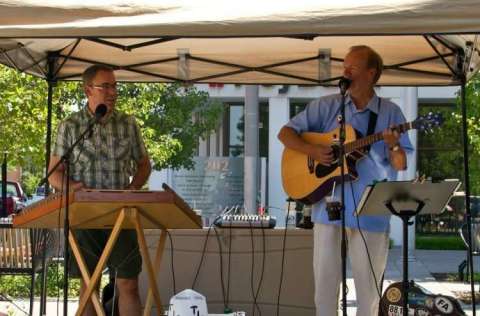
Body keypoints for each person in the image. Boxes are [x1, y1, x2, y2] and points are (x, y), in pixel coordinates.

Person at [278, 45, 413, 316]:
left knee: (369, 293)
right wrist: (314, 151)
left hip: (372, 212)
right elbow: (285, 133)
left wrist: (395, 145)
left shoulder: (390, 112)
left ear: (370, 73)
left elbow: (401, 163)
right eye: (344, 67)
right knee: (325, 291)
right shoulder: (327, 105)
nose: (345, 72)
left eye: (352, 67)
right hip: (329, 209)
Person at [48, 64, 151, 316]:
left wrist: (133, 187)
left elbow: (144, 164)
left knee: (128, 283)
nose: (112, 92)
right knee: (89, 282)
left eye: (114, 86)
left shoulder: (128, 124)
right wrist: (72, 187)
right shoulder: (70, 126)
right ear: (87, 90)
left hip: (121, 214)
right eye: (105, 86)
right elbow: (54, 174)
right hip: (85, 214)